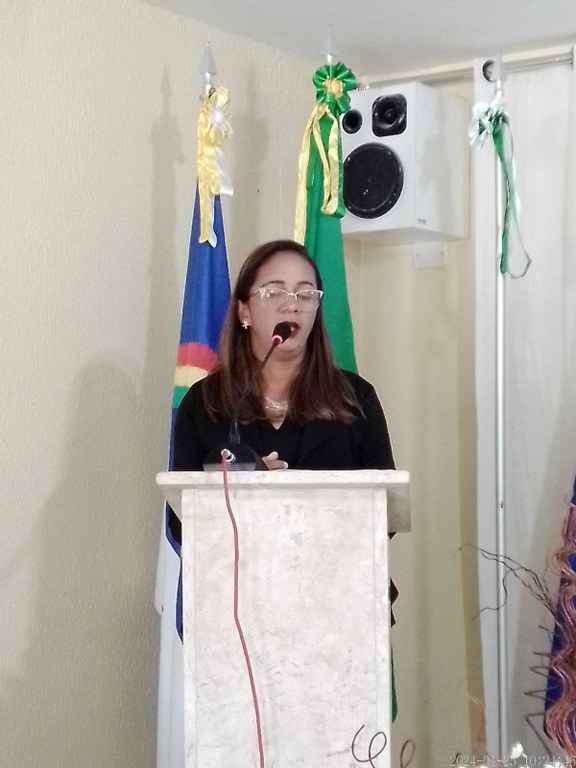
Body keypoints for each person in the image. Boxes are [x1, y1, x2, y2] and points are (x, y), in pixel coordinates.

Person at [171, 239, 394, 476]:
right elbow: (184, 498)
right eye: (274, 293)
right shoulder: (203, 405)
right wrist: (250, 488)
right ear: (244, 312)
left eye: (305, 294)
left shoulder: (356, 399)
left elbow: (385, 496)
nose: (292, 305)